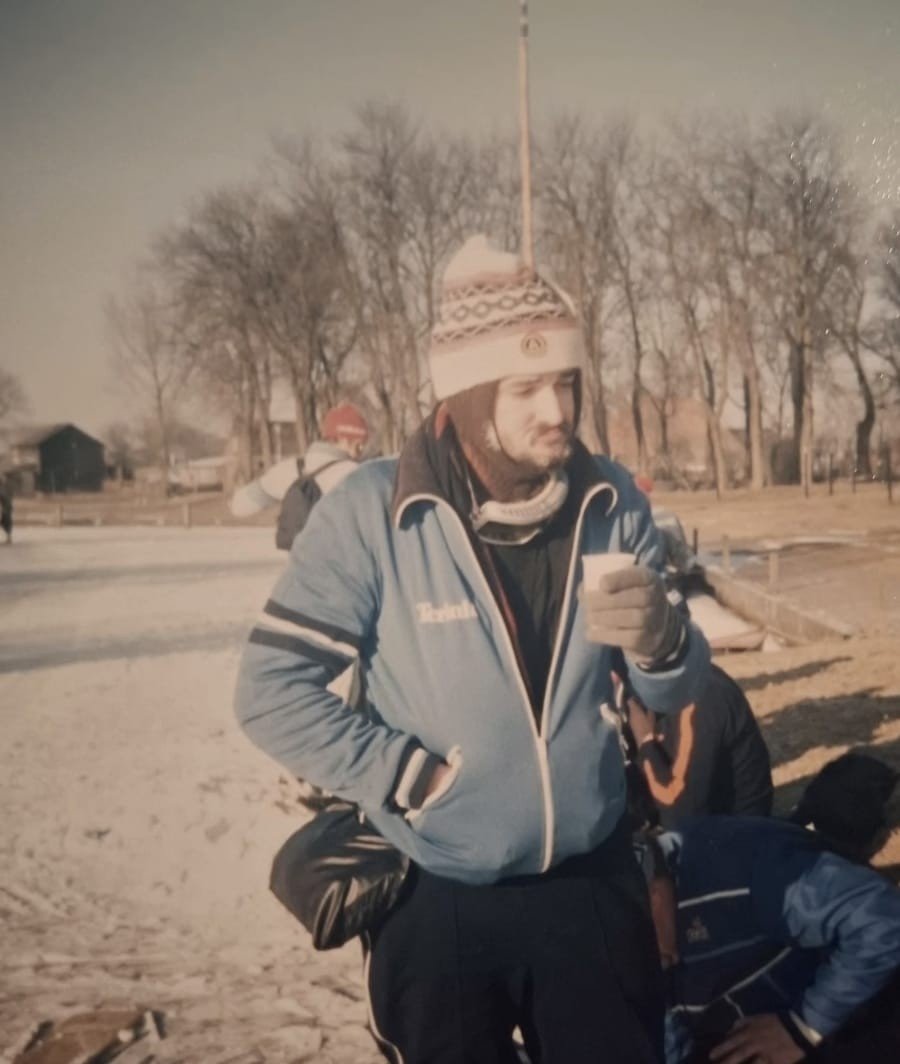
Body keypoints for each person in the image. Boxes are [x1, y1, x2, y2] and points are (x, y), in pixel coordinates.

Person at [235, 234, 711, 1063]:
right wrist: (410, 779)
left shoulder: (613, 503)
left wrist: (667, 642)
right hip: (440, 895)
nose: (557, 409)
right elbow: (271, 689)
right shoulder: (373, 513)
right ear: (463, 396)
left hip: (590, 885)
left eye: (566, 382)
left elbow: (668, 694)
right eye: (525, 387)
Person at [635, 817, 900, 1063]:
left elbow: (882, 917)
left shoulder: (734, 863)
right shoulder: (622, 947)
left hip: (857, 1022)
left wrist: (803, 1026)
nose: (656, 964)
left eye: (641, 943)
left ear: (654, 892)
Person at [619, 661, 773, 828]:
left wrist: (645, 741)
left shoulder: (699, 695)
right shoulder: (672, 686)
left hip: (734, 831)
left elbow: (681, 817)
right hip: (701, 811)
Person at [228, 401, 369, 551]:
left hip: (300, 569)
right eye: (359, 444)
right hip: (346, 568)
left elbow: (239, 506)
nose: (362, 450)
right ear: (343, 439)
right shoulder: (358, 474)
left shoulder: (289, 469)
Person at [0, 480, 12, 545]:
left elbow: (5, 500)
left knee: (5, 522)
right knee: (5, 523)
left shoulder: (2, 490)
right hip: (6, 508)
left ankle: (9, 538)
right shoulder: (3, 489)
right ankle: (9, 537)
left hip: (5, 509)